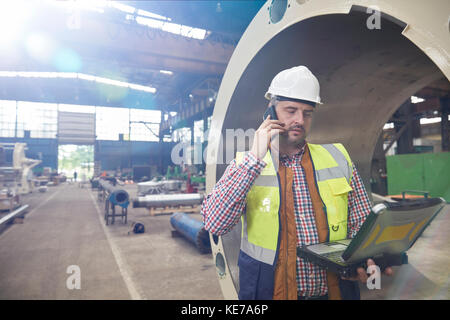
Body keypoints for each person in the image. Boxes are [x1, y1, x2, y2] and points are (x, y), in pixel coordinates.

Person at [201, 66, 393, 300]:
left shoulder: (338, 158)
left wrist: (367, 258)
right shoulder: (245, 164)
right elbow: (215, 223)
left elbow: (362, 223)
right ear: (270, 112)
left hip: (334, 292)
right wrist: (254, 159)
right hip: (271, 292)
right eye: (291, 111)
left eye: (307, 113)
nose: (299, 120)